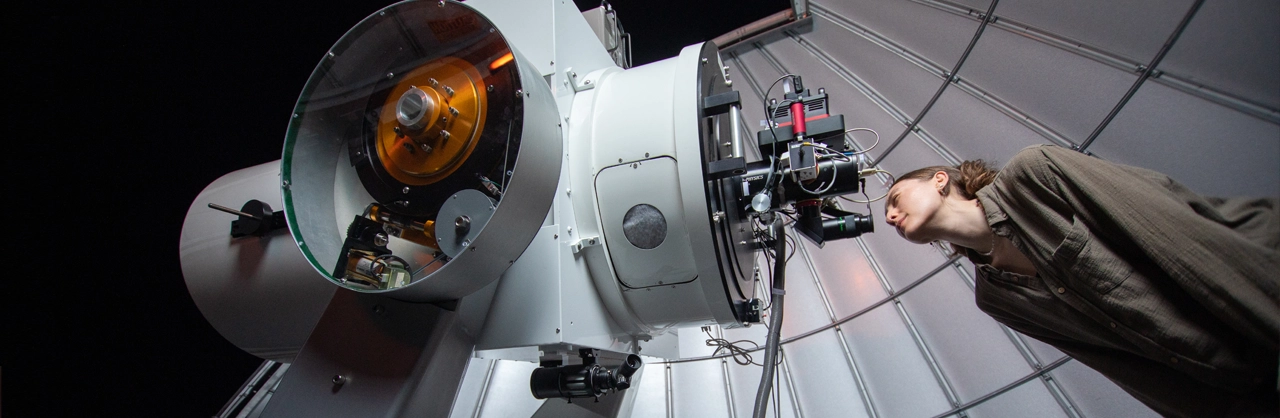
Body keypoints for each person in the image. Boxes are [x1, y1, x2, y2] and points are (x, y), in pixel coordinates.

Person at [883, 144, 1279, 417]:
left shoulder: (1033, 175)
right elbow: (1122, 363)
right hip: (1242, 376)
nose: (889, 217)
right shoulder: (994, 298)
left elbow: (1176, 236)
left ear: (939, 180)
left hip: (1258, 283)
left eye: (896, 200)